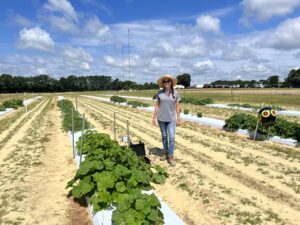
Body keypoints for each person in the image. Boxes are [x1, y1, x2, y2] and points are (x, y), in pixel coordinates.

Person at [152, 74, 181, 166]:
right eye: (164, 81)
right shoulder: (160, 93)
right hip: (161, 118)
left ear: (171, 82)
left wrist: (178, 118)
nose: (166, 83)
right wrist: (154, 118)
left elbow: (177, 106)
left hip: (171, 118)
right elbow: (157, 105)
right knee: (164, 136)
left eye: (168, 81)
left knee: (171, 137)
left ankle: (171, 155)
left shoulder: (175, 93)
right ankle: (165, 153)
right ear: (163, 83)